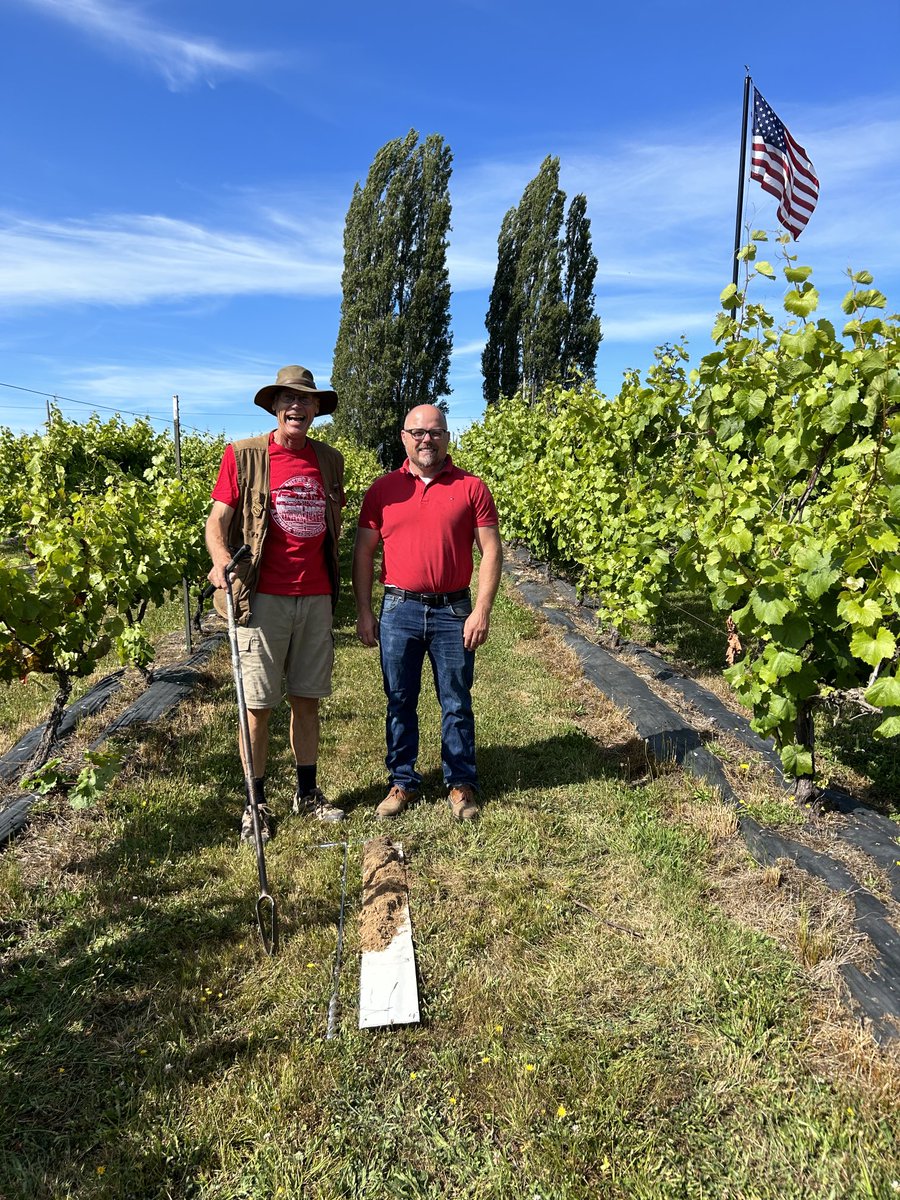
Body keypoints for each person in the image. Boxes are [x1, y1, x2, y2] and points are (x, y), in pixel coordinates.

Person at [205, 365, 347, 842]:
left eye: (306, 401)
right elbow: (218, 521)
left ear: (315, 411)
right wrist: (222, 559)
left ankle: (306, 794)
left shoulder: (330, 460)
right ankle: (255, 803)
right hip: (262, 598)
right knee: (258, 706)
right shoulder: (243, 456)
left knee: (307, 701)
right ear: (274, 406)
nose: (297, 407)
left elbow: (332, 520)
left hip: (316, 596)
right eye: (288, 399)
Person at [353, 404, 502, 821]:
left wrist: (482, 610)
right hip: (398, 608)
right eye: (417, 432)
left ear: (447, 437)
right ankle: (402, 781)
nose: (426, 439)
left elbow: (491, 550)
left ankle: (460, 783)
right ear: (404, 437)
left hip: (453, 609)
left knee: (456, 699)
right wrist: (365, 611)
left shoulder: (472, 487)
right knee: (399, 698)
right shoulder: (383, 490)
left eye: (435, 432)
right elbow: (364, 552)